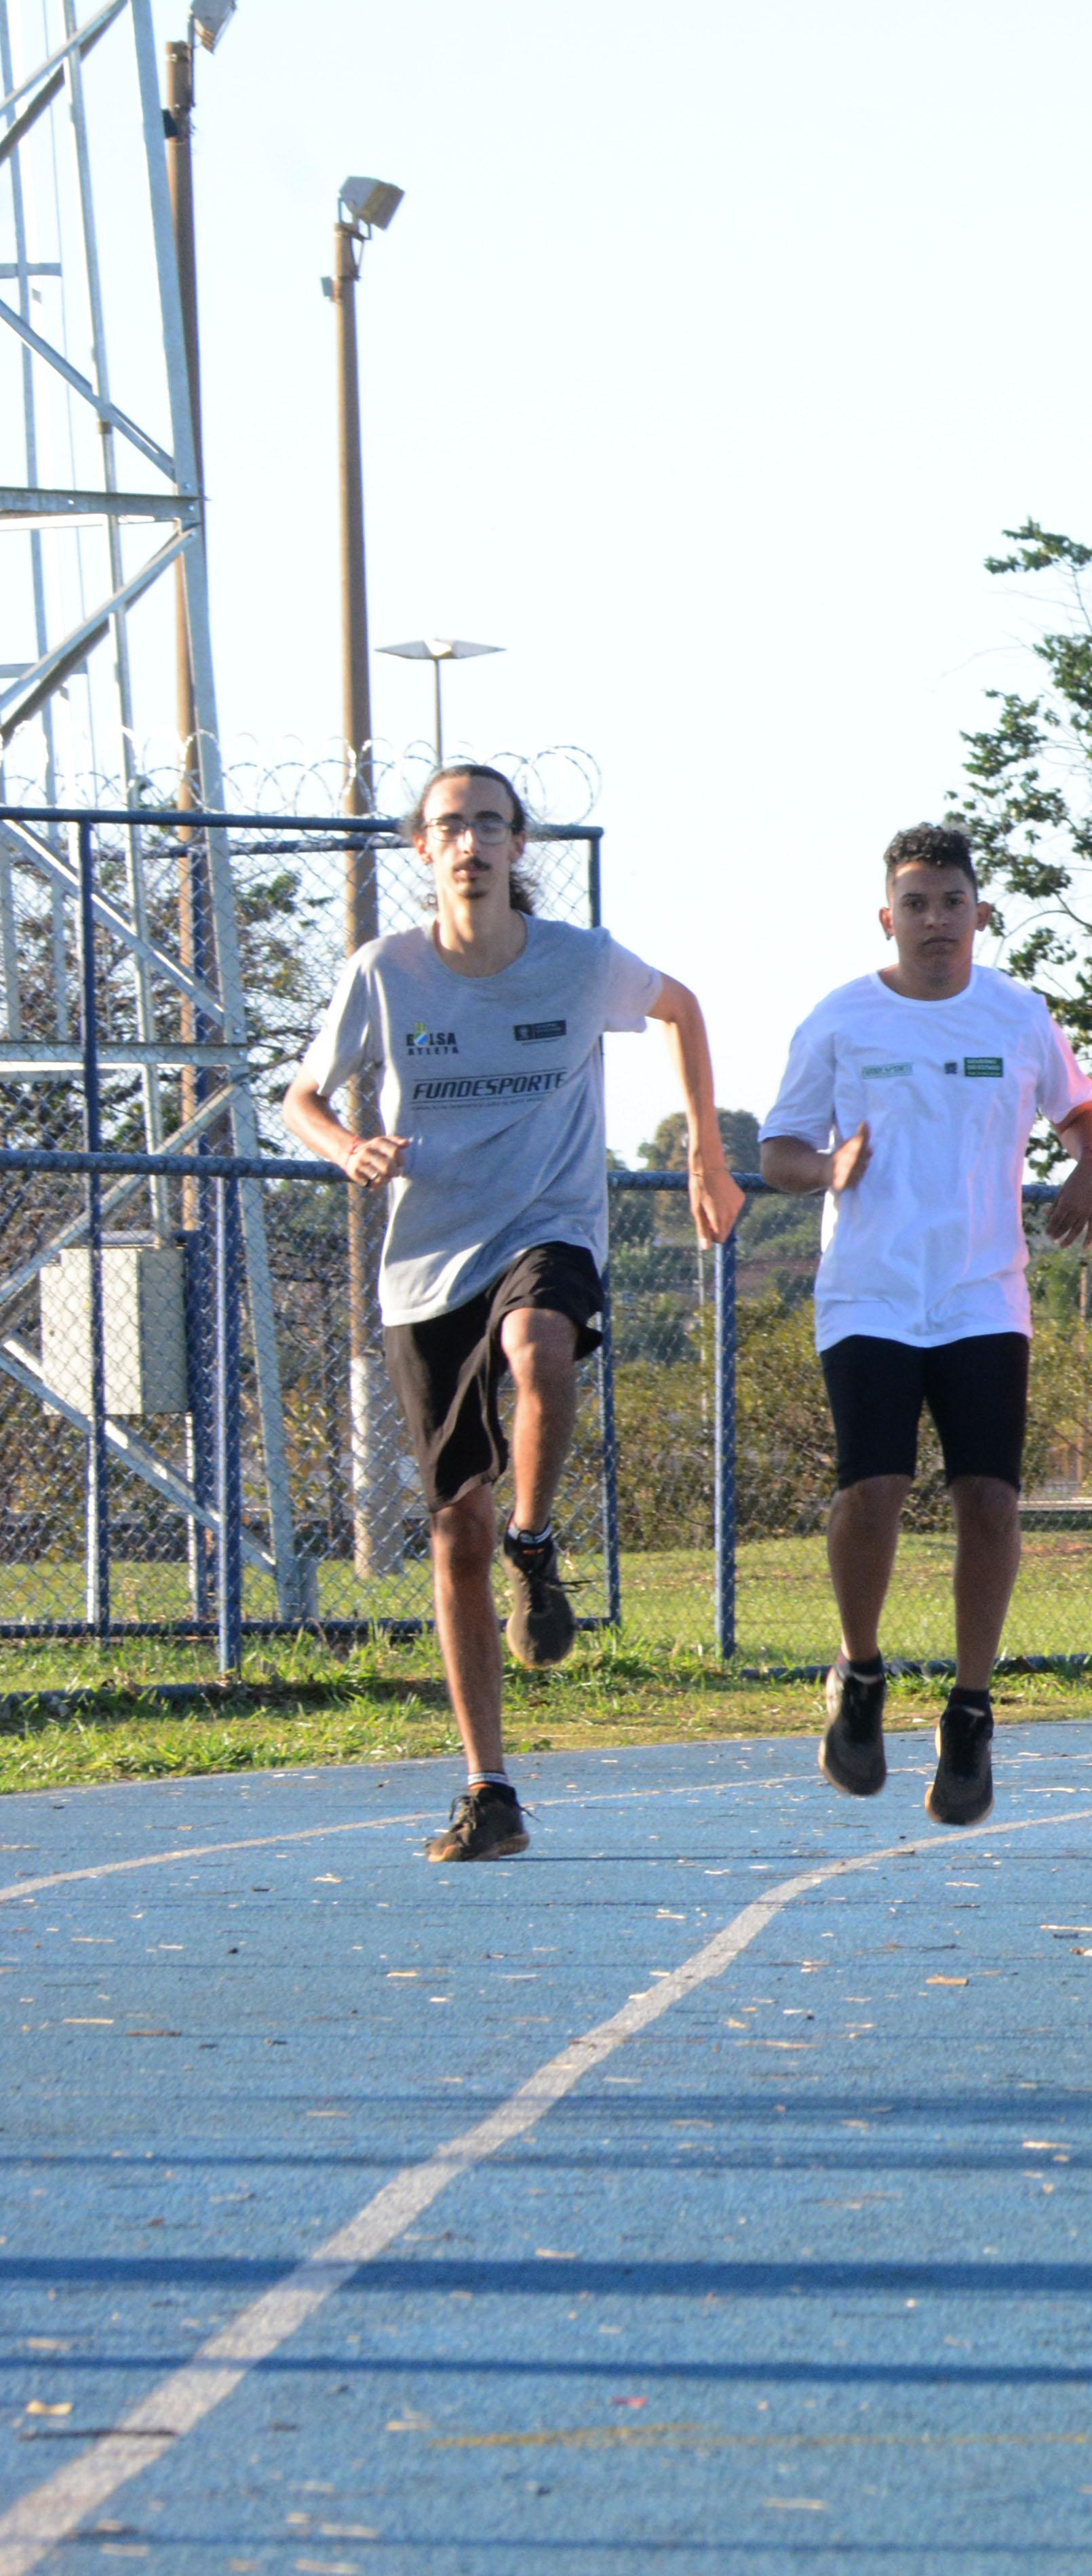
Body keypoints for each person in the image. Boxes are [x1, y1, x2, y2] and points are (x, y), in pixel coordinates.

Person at [282, 762, 743, 1863]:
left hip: (547, 1224)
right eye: (451, 826)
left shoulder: (578, 965)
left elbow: (679, 1007)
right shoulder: (384, 973)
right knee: (454, 1530)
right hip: (427, 1256)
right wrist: (352, 1146)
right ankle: (489, 1788)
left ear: (518, 845)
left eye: (490, 823)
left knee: (541, 1347)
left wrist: (704, 1152)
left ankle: (537, 1547)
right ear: (423, 850)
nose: (472, 843)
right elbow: (298, 1096)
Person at [760, 824, 1092, 1828]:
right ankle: (860, 1673)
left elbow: (1078, 1113)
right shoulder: (842, 1020)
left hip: (981, 1295)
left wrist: (1088, 1163)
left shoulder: (1017, 1015)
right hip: (870, 1293)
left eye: (951, 902)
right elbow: (780, 1149)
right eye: (915, 904)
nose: (934, 921)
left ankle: (968, 1707)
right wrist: (829, 1169)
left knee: (991, 1503)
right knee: (872, 1494)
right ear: (887, 918)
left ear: (979, 915)